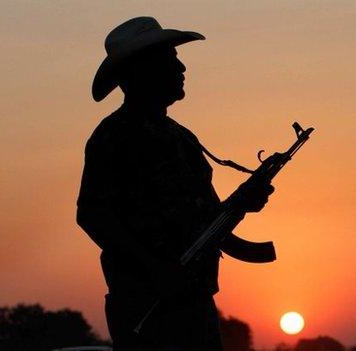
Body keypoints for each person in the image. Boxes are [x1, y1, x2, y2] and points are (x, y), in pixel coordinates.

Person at [76, 17, 275, 351]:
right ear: (140, 71)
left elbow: (209, 221)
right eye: (169, 59)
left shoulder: (182, 138)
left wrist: (244, 204)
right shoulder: (114, 136)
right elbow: (92, 214)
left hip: (194, 303)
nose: (181, 68)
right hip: (147, 308)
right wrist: (155, 268)